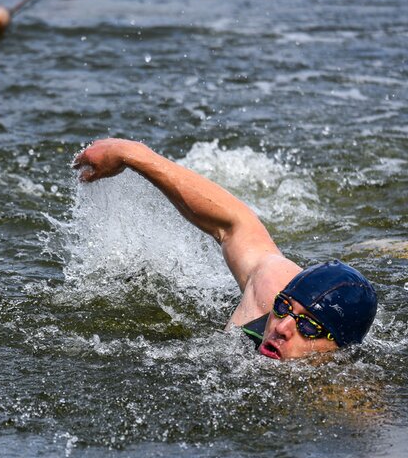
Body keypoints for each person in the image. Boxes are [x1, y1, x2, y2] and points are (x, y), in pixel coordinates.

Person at [73, 138, 377, 360]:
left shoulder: (345, 398)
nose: (282, 327)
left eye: (308, 327)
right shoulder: (270, 290)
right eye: (284, 307)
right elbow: (234, 223)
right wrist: (131, 154)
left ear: (340, 348)